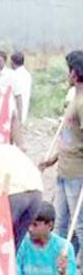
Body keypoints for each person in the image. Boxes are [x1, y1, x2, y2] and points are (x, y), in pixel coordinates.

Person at [39, 50, 83, 251]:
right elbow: (70, 138)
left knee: (79, 224)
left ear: (74, 73)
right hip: (65, 170)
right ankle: (60, 267)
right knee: (61, 224)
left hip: (77, 174)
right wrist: (53, 160)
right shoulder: (75, 98)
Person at [6, 51, 32, 125]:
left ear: (12, 62)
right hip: (24, 107)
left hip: (16, 109)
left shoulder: (14, 75)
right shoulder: (27, 74)